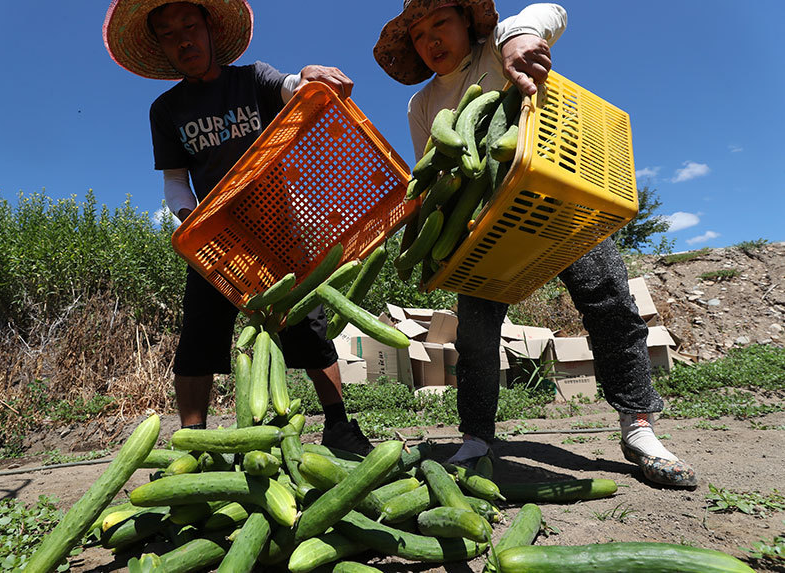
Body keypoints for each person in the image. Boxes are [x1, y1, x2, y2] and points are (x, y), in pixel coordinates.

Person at [374, 0, 697, 487]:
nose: (431, 40)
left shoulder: (500, 44)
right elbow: (435, 171)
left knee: (609, 299)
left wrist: (520, 37)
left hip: (555, 196)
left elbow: (553, 12)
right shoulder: (421, 104)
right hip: (485, 225)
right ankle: (477, 437)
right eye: (418, 35)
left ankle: (639, 425)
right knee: (475, 334)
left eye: (439, 23)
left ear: (466, 20)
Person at [103, 0, 372, 455]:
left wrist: (306, 75)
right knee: (199, 339)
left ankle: (339, 425)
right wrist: (198, 228)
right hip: (217, 238)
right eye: (169, 34)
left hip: (279, 226)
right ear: (161, 48)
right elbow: (175, 183)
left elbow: (291, 88)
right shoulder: (166, 110)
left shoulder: (251, 79)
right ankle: (195, 441)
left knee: (307, 329)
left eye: (190, 25)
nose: (183, 39)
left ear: (209, 28)